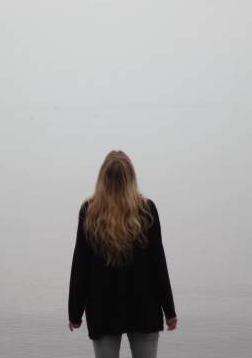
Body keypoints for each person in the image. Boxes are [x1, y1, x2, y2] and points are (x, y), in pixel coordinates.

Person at [68, 150, 177, 358]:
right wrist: (169, 311)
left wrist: (75, 311)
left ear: (102, 178)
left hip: (103, 310)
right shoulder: (146, 210)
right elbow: (158, 265)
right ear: (131, 178)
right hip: (144, 308)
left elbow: (81, 266)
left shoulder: (89, 211)